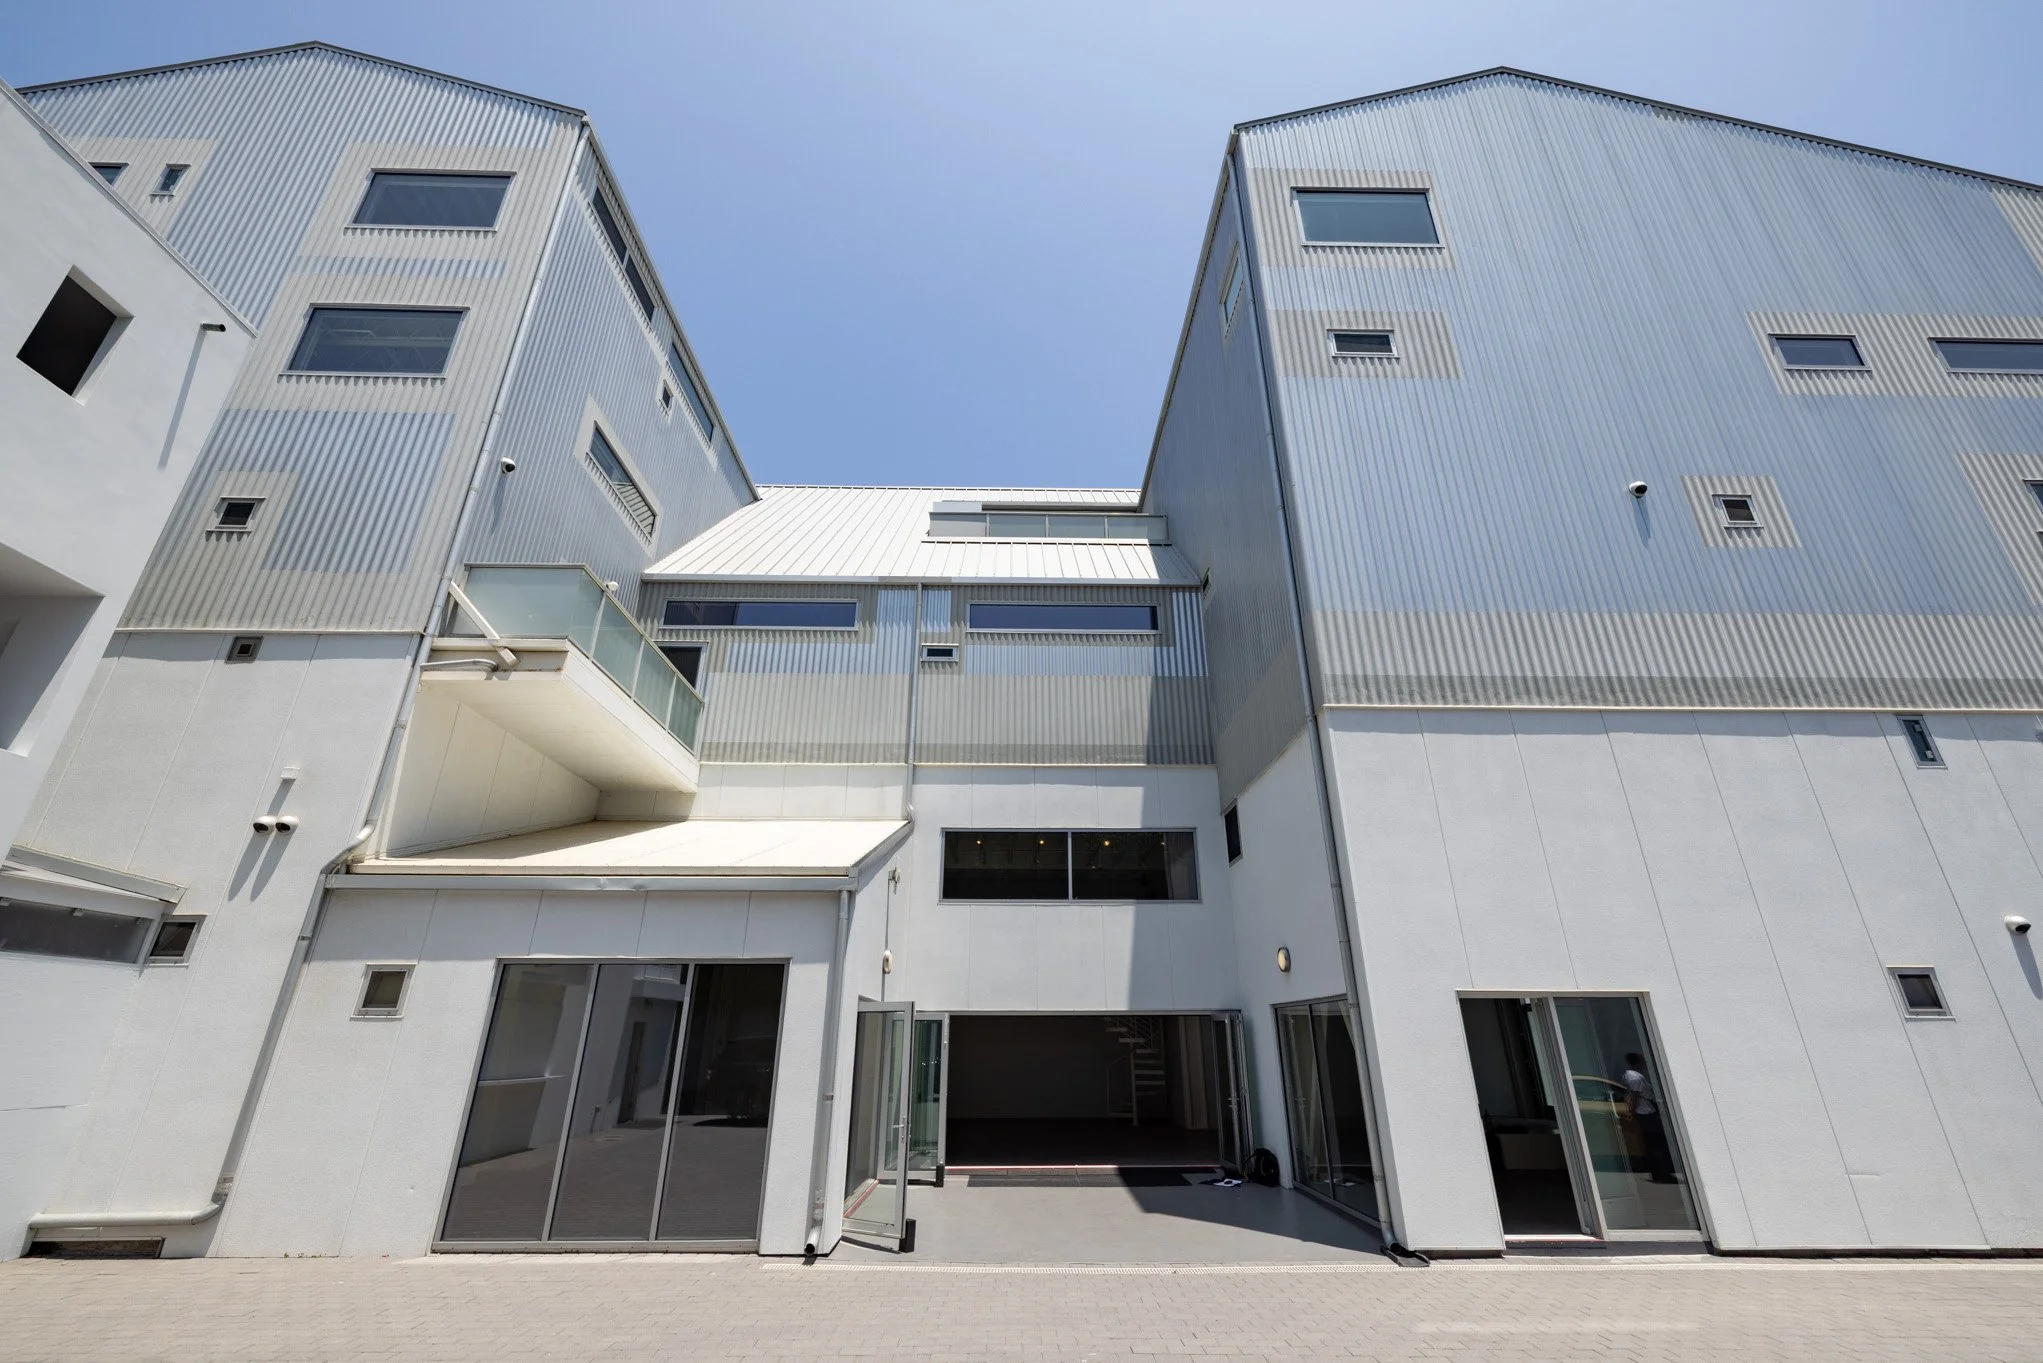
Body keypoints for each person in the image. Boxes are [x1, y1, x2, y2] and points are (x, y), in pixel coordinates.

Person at [1622, 1052, 1677, 1184]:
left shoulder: (1627, 1075)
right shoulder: (1636, 1078)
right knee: (1657, 1144)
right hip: (1646, 1113)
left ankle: (1657, 1173)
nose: (1645, 1063)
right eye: (1642, 1061)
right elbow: (1634, 1096)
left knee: (1651, 1144)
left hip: (1644, 1113)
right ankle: (1663, 1173)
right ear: (1637, 1062)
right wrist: (1632, 1111)